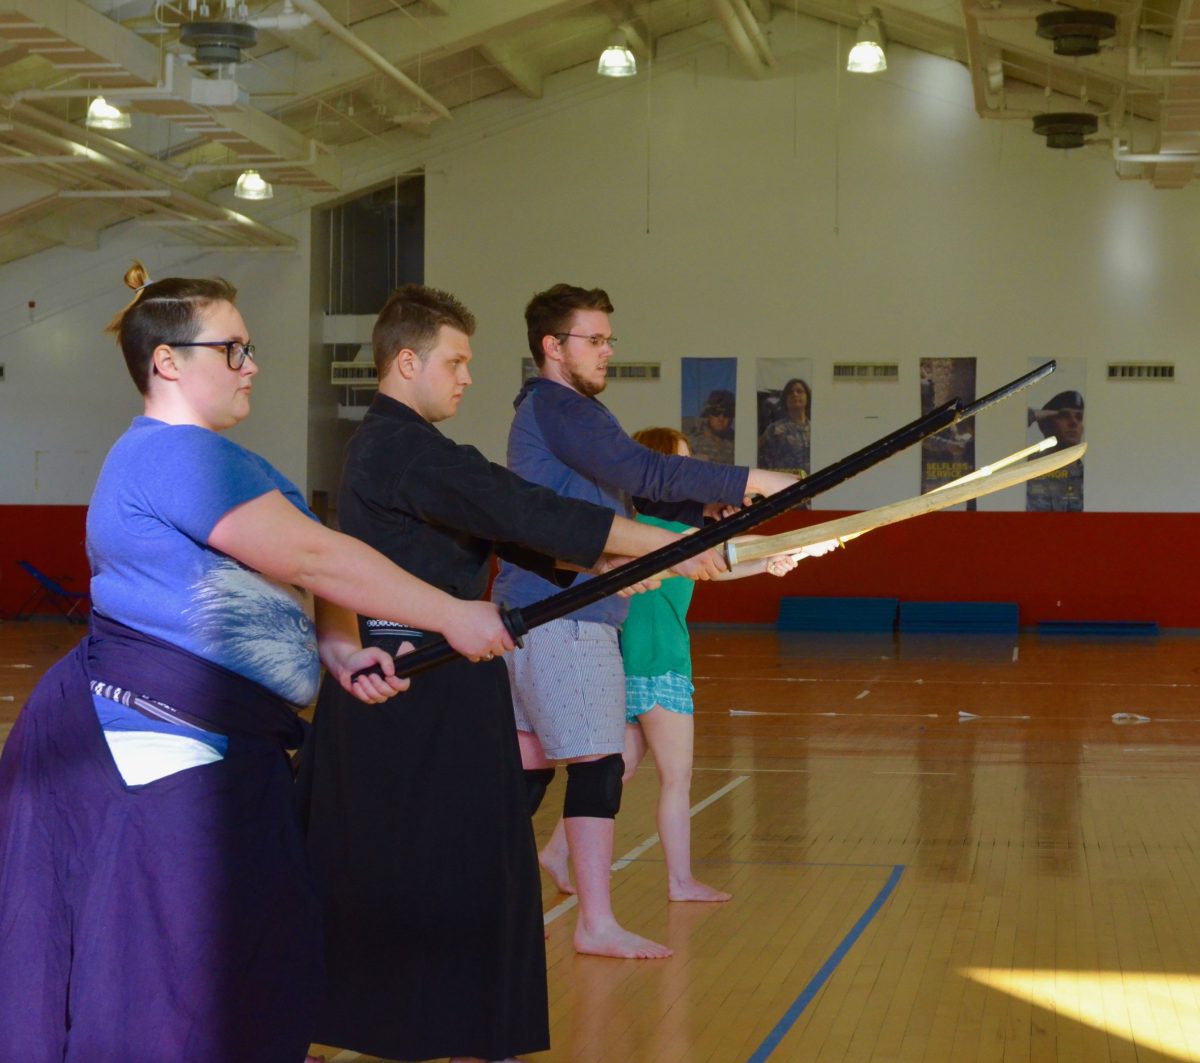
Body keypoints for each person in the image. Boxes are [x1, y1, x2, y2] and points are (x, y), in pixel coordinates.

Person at [0, 264, 513, 1063]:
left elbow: (306, 565)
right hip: (163, 747)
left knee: (257, 954)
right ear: (168, 361)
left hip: (233, 748)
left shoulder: (233, 461)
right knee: (172, 983)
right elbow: (313, 552)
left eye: (249, 348)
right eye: (232, 348)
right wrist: (451, 613)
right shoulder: (170, 457)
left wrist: (339, 649)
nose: (253, 365)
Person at [295, 285, 724, 1063]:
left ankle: (428, 1031)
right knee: (452, 874)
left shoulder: (401, 447)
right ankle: (415, 1031)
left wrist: (618, 558)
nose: (466, 377)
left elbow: (520, 531)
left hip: (433, 685)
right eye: (455, 362)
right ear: (406, 361)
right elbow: (515, 506)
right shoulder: (402, 447)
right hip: (414, 690)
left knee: (451, 871)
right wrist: (659, 544)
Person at [491, 283, 796, 959]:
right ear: (553, 345)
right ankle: (594, 921)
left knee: (528, 763)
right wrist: (756, 481)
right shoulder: (556, 405)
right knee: (596, 762)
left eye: (608, 340)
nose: (606, 352)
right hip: (563, 613)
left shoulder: (565, 416)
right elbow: (645, 469)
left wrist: (703, 523)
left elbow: (625, 504)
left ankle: (478, 897)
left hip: (560, 604)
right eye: (593, 340)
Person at [539, 427, 803, 905]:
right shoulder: (678, 533)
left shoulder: (638, 529)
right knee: (677, 778)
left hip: (624, 662)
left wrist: (766, 564)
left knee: (615, 769)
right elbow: (725, 552)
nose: (690, 471)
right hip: (660, 664)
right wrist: (781, 548)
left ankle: (557, 851)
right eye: (681, 463)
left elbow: (716, 564)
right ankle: (680, 881)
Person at [1027, 389, 1084, 511]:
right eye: (1064, 416)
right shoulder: (1028, 468)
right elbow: (1005, 423)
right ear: (1045, 425)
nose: (1074, 422)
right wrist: (1036, 414)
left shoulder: (1089, 474)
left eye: (1079, 417)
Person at [757, 377, 811, 474]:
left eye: (799, 391)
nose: (795, 394)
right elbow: (764, 463)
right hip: (785, 484)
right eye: (790, 392)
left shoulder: (815, 430)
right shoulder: (774, 430)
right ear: (785, 399)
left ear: (807, 397)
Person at [685, 388, 736, 464]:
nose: (721, 418)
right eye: (716, 412)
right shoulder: (692, 442)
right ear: (708, 414)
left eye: (727, 413)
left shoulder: (736, 443)